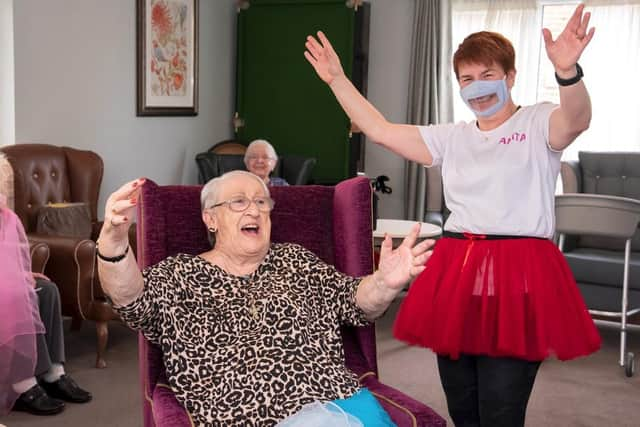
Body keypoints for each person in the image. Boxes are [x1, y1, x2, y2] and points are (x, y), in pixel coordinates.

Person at [304, 3, 600, 427]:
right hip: (458, 272)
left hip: (518, 272)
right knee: (463, 404)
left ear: (510, 77)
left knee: (501, 407)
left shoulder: (537, 122)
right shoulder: (451, 138)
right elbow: (380, 129)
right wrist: (337, 80)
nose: (476, 88)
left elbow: (576, 119)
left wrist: (568, 72)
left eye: (488, 76)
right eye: (466, 79)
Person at [96, 171, 434, 425]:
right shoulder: (179, 274)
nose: (254, 211)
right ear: (210, 219)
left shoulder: (297, 260)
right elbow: (129, 298)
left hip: (340, 402)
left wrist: (384, 282)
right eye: (239, 202)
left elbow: (356, 302)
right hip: (246, 417)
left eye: (262, 202)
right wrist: (112, 239)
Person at [0, 195, 92, 417]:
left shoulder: (7, 218)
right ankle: (23, 383)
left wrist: (22, 274)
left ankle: (53, 372)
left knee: (47, 289)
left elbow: (10, 257)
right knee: (15, 296)